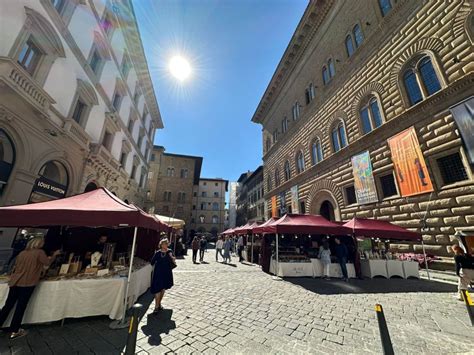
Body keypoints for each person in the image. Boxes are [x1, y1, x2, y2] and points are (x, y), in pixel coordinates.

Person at [0, 236, 60, 339]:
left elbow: (16, 266)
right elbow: (47, 263)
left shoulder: (22, 253)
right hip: (28, 282)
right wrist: (54, 255)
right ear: (38, 243)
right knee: (21, 306)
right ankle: (15, 330)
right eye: (42, 242)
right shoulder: (39, 252)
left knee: (8, 305)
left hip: (15, 281)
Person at [150, 238, 175, 313]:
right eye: (164, 244)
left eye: (167, 244)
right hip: (160, 273)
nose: (166, 245)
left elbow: (173, 260)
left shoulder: (169, 252)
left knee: (162, 289)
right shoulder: (158, 253)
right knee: (158, 289)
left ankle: (158, 305)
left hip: (165, 273)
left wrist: (172, 257)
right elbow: (152, 262)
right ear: (161, 245)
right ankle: (157, 307)